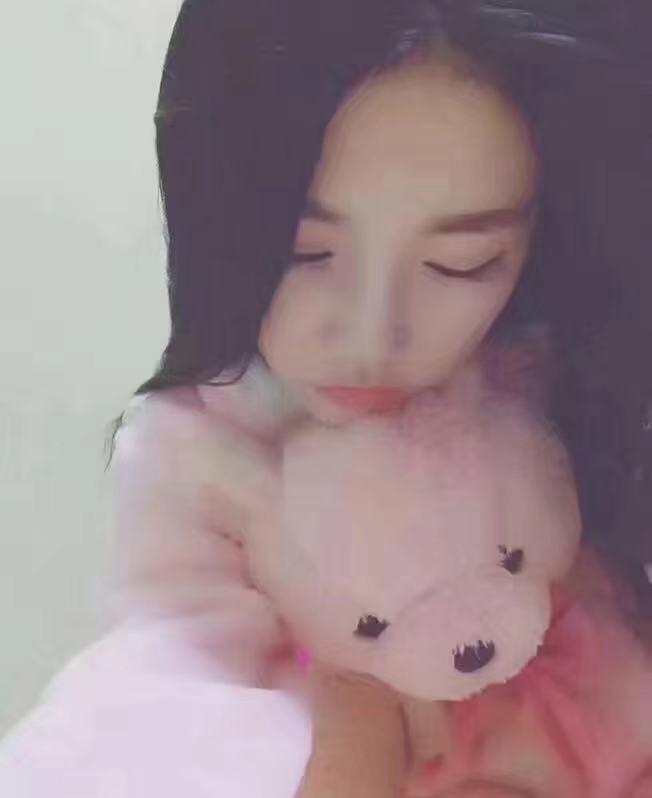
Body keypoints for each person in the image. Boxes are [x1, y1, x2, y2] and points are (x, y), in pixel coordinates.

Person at [1, 1, 652, 796]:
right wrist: (357, 728)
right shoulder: (199, 461)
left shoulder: (551, 397)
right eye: (304, 253)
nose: (371, 337)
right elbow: (177, 683)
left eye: (461, 263)